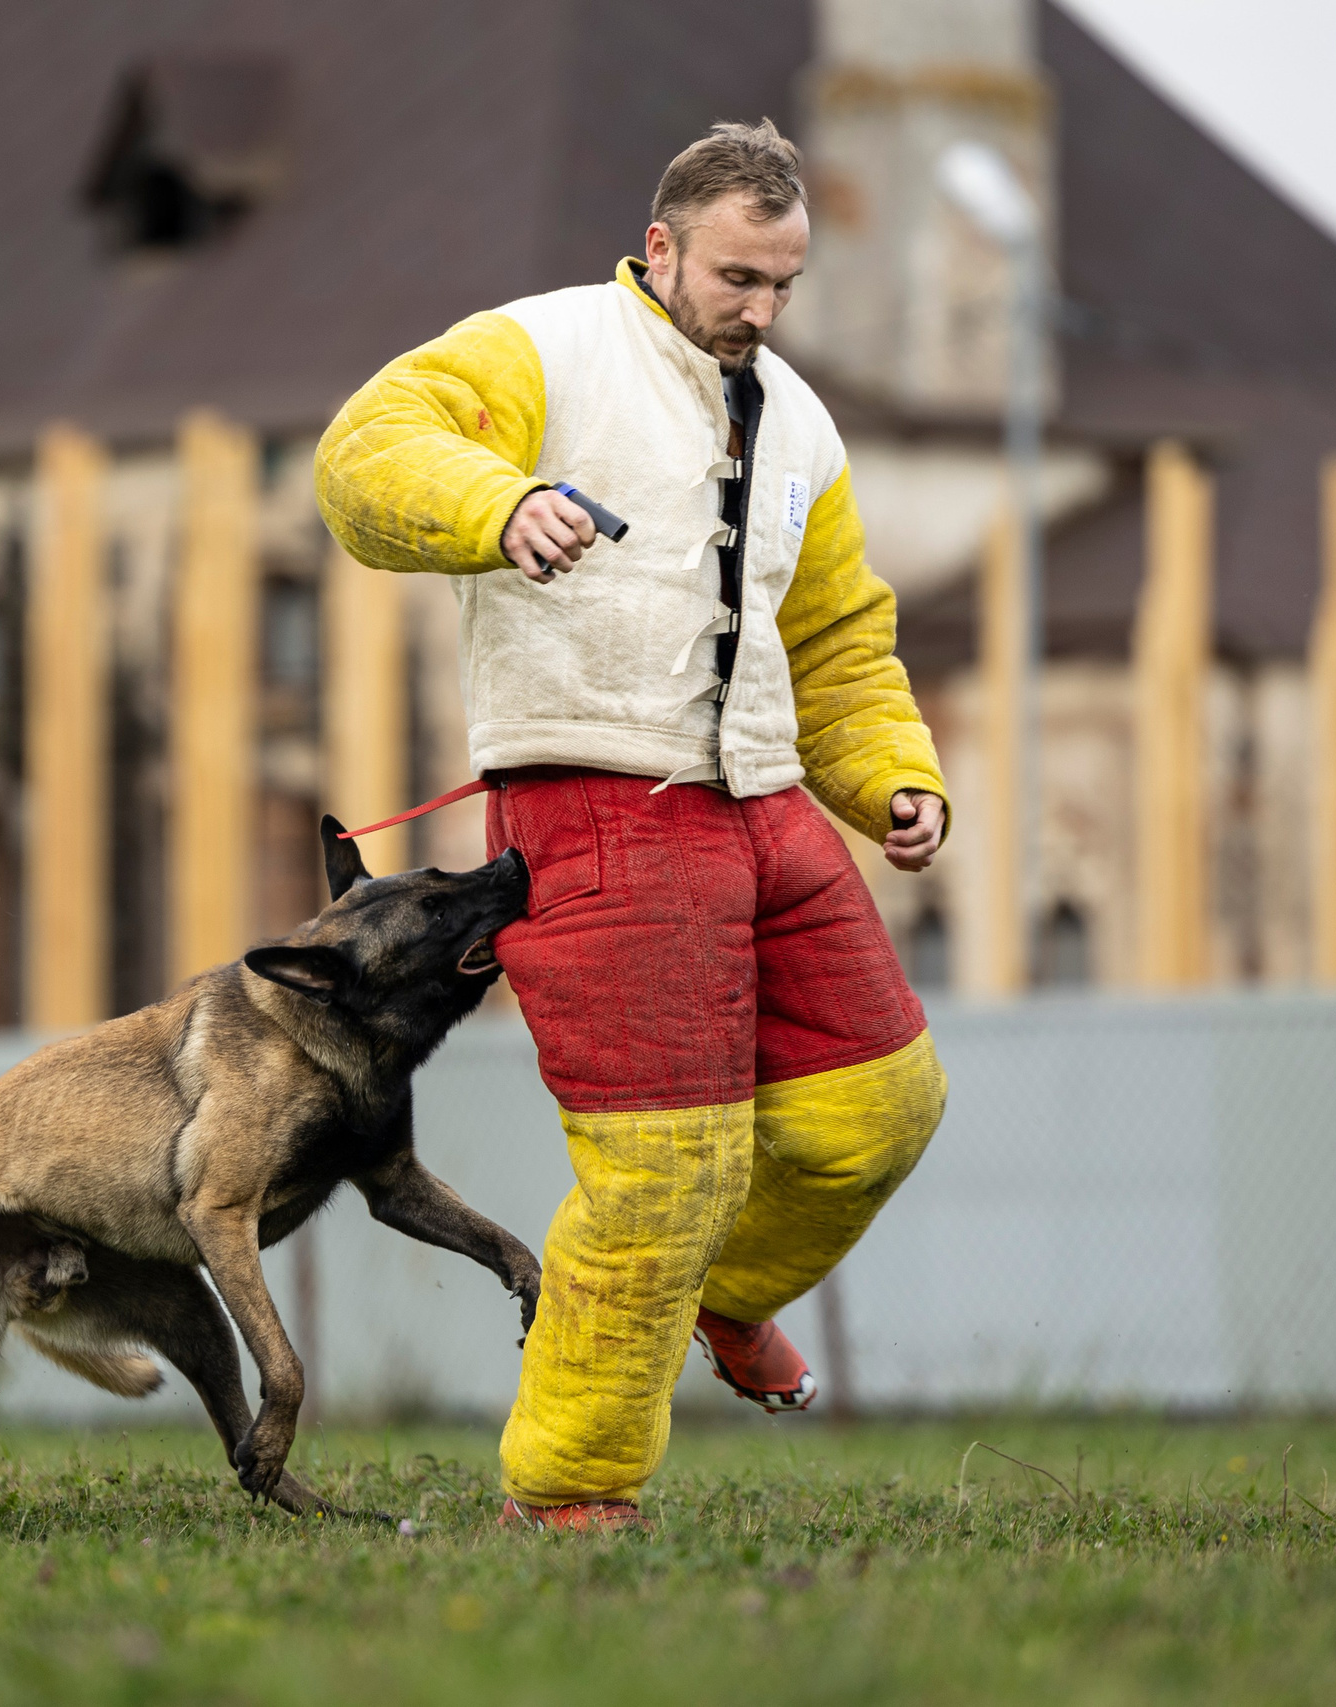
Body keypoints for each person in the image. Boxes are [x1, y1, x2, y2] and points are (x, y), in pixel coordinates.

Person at [315, 120, 950, 1532]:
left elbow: (838, 633)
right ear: (659, 246)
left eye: (785, 283)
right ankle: (572, 1491)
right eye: (737, 276)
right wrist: (503, 501)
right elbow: (366, 455)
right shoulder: (539, 350)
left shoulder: (799, 414)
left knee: (880, 1111)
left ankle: (721, 1298)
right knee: (665, 1166)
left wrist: (893, 776)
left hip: (770, 800)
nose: (763, 311)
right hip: (596, 805)